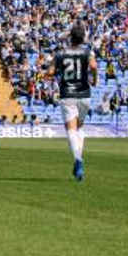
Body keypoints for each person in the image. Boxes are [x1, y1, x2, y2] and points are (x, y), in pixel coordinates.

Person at [57, 23, 96, 181]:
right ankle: (79, 158)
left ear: (70, 37)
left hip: (68, 94)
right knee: (79, 127)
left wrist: (49, 73)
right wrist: (95, 78)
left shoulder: (62, 53)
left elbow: (51, 71)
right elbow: (94, 66)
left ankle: (78, 159)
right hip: (85, 93)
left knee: (71, 129)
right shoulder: (88, 52)